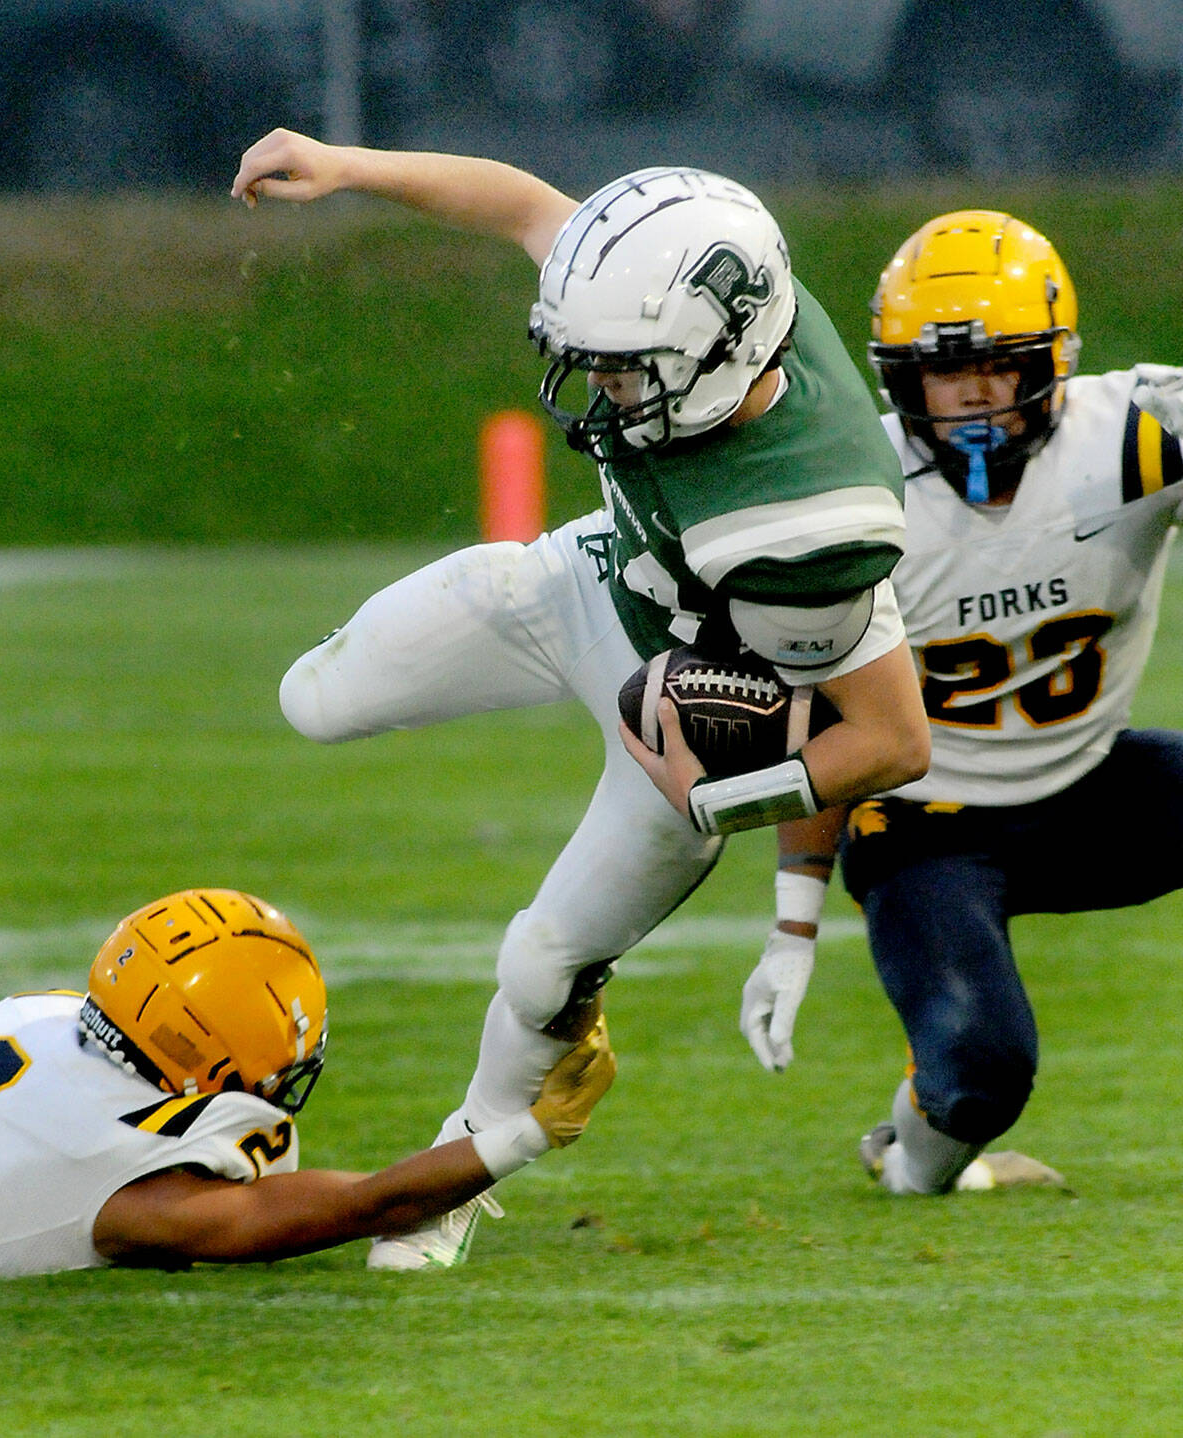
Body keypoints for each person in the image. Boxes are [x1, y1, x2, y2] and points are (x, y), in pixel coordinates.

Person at [231, 130, 929, 1267]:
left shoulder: (811, 520)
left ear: (723, 353)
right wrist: (345, 163)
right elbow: (516, 203)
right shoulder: (678, 290)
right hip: (594, 576)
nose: (598, 388)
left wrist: (723, 793)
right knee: (315, 695)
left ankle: (457, 1168)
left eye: (622, 369)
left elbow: (893, 737)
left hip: (694, 702)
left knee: (536, 963)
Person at [740, 209, 1183, 1194]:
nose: (974, 394)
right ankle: (912, 1153)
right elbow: (815, 715)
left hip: (1091, 786)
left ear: (1052, 362)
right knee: (979, 1075)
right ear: (902, 379)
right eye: (947, 370)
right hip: (923, 823)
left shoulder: (1133, 433)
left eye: (999, 363)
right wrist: (792, 919)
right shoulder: (859, 495)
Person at [0, 887, 614, 1276]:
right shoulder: (128, 1190)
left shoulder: (43, 1013)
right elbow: (362, 1208)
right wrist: (528, 1133)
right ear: (204, 1066)